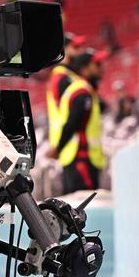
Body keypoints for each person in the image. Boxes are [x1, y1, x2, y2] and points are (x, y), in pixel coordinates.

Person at [46, 49, 108, 193]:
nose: (101, 68)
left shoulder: (83, 90)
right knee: (82, 205)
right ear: (84, 69)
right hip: (81, 159)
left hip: (79, 158)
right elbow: (72, 123)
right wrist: (58, 148)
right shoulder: (81, 92)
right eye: (96, 64)